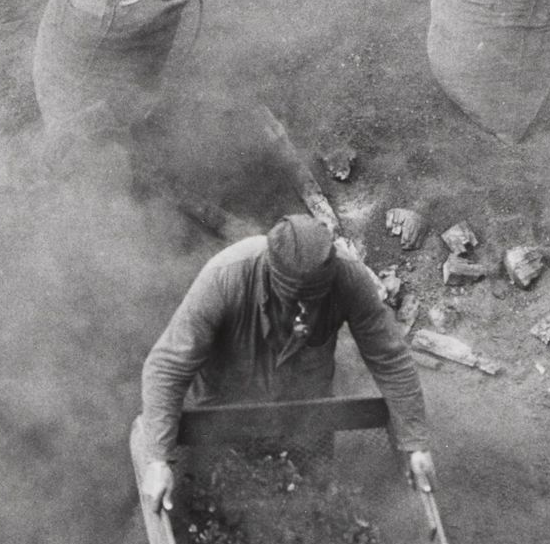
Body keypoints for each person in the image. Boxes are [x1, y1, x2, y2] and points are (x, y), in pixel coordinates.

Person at [134, 213, 435, 512]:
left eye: (314, 301)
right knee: (212, 501)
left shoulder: (349, 278)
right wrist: (158, 459)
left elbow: (390, 358)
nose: (304, 313)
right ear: (270, 275)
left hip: (304, 413)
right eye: (293, 302)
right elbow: (167, 366)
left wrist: (415, 444)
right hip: (221, 412)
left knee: (309, 501)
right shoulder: (225, 277)